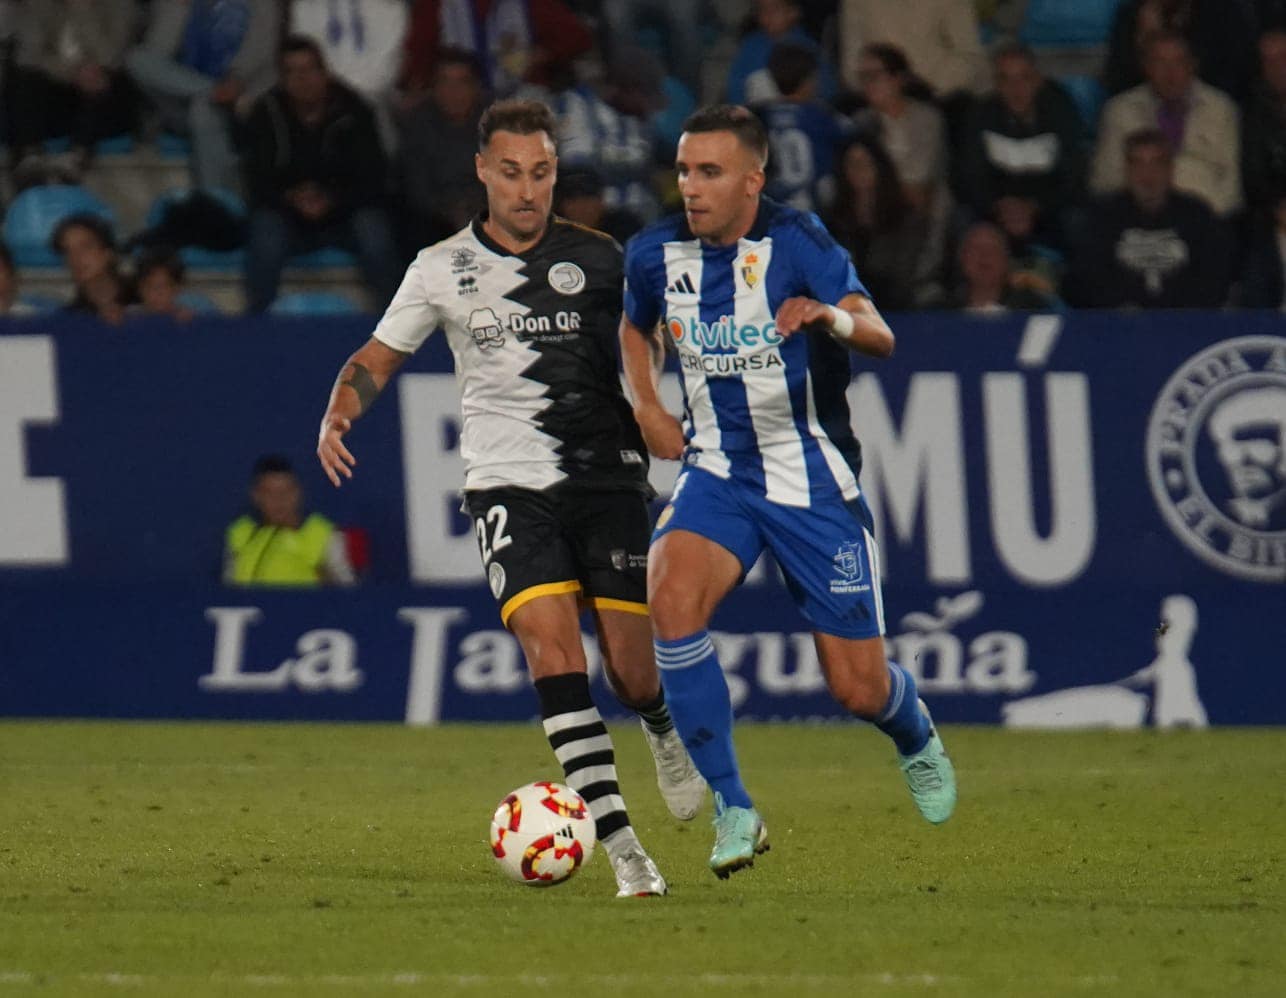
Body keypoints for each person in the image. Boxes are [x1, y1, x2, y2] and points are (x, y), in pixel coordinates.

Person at [315, 98, 705, 898]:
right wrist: (340, 407)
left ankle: (661, 728)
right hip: (505, 486)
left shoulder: (604, 260)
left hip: (607, 479)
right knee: (552, 655)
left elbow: (648, 341)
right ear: (482, 172)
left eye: (542, 173)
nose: (528, 191)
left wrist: (651, 402)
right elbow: (378, 356)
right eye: (512, 173)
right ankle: (627, 852)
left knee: (632, 674)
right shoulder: (440, 267)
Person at [618, 105, 957, 880]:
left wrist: (828, 316)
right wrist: (645, 403)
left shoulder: (798, 242)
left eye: (709, 173)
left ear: (751, 180)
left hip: (810, 478)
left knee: (857, 688)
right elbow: (636, 328)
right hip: (718, 471)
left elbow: (882, 335)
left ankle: (911, 732)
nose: (690, 188)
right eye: (682, 170)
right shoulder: (653, 252)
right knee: (668, 601)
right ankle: (736, 805)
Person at [241, 35, 402, 313]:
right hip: (286, 211)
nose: (302, 79)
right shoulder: (265, 112)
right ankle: (257, 329)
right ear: (282, 78)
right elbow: (256, 179)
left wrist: (333, 198)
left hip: (345, 211)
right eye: (292, 72)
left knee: (376, 235)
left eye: (309, 69)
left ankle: (396, 330)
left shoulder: (356, 110)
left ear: (324, 71)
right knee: (264, 238)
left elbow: (373, 177)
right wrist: (292, 197)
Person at [126, 0, 280, 193]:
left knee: (203, 111)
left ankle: (213, 202)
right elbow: (158, 53)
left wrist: (236, 81)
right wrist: (178, 10)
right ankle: (210, 91)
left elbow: (263, 52)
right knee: (136, 60)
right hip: (187, 98)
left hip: (242, 100)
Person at [1070, 128, 1231, 308]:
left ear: (1171, 169)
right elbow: (1089, 278)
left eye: (1157, 163)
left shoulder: (1197, 215)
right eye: (1138, 163)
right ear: (1127, 170)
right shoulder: (1101, 216)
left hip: (1186, 323)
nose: (1147, 174)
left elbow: (1214, 276)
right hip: (1118, 324)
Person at [1091, 32, 1242, 218]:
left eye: (1178, 62)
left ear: (1193, 65)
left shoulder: (1221, 108)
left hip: (1207, 219)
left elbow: (1231, 187)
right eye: (1159, 62)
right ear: (1146, 67)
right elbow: (1105, 182)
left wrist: (1204, 221)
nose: (1170, 72)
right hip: (1135, 219)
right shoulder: (1119, 110)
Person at [957, 43, 1087, 252]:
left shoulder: (1061, 112)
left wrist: (1035, 206)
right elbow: (971, 176)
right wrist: (999, 205)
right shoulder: (980, 115)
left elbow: (1072, 176)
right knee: (962, 219)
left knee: (1077, 220)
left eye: (1024, 78)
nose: (1015, 88)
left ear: (1037, 80)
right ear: (996, 84)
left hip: (1047, 208)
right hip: (998, 208)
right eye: (1005, 79)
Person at [8, 0, 138, 179]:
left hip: (99, 90)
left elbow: (112, 56)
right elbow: (29, 55)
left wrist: (82, 11)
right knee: (25, 77)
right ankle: (29, 156)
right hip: (56, 86)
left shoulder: (120, 6)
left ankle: (77, 155)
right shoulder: (39, 5)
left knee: (106, 79)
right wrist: (72, 72)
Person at [825, 135, 937, 310]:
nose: (858, 169)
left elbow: (905, 275)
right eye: (852, 163)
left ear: (879, 167)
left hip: (896, 309)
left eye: (865, 162)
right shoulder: (834, 221)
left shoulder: (906, 219)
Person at [395, 47, 488, 254]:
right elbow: (416, 187)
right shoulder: (417, 124)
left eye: (462, 83)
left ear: (476, 87)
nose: (453, 92)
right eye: (445, 82)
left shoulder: (499, 124)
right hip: (434, 218)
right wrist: (450, 212)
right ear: (433, 87)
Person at [224, 455, 356, 586]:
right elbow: (227, 592)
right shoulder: (240, 534)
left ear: (298, 493)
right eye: (269, 493)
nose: (279, 501)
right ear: (256, 496)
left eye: (286, 492)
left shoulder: (324, 535)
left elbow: (347, 592)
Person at [756, 43, 847, 214]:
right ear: (809, 80)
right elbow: (850, 137)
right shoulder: (820, 116)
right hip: (816, 204)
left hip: (778, 206)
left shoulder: (764, 116)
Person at [946, 221, 1059, 313]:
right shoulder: (940, 312)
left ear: (1006, 261)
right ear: (961, 259)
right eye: (975, 249)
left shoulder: (1033, 308)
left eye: (992, 249)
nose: (984, 256)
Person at [52, 214, 135, 324]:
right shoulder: (70, 318)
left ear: (108, 253)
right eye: (67, 251)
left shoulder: (144, 295)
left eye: (85, 247)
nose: (75, 258)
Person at [131, 246, 197, 323]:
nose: (158, 293)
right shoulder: (129, 317)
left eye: (165, 286)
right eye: (150, 286)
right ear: (140, 288)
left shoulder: (187, 316)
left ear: (177, 288)